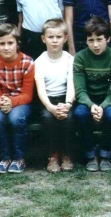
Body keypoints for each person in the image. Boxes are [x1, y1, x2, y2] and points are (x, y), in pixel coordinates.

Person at [0, 24, 34, 174]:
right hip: (0, 101)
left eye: (10, 43)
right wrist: (0, 102)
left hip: (21, 101)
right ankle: (4, 157)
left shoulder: (28, 62)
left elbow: (27, 94)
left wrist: (12, 102)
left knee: (15, 118)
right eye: (2, 43)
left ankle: (19, 157)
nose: (6, 47)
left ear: (17, 44)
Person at [73, 17, 111, 172]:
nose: (95, 45)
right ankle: (90, 154)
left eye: (99, 39)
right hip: (88, 100)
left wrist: (103, 106)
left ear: (108, 39)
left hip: (109, 99)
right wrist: (91, 105)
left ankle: (106, 154)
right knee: (80, 113)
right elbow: (80, 89)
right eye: (91, 40)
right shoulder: (80, 57)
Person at [35, 19, 76, 172]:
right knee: (48, 118)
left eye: (58, 37)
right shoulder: (39, 61)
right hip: (48, 100)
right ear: (43, 38)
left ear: (65, 38)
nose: (54, 40)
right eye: (50, 37)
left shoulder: (70, 60)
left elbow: (71, 84)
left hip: (66, 98)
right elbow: (41, 89)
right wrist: (50, 107)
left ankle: (66, 154)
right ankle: (52, 155)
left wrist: (68, 104)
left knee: (69, 118)